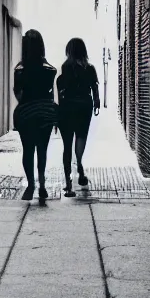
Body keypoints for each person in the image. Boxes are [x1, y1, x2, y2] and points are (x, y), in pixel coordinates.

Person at [13, 30, 58, 200]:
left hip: (26, 113)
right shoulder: (49, 70)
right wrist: (53, 117)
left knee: (28, 150)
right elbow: (50, 94)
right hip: (45, 112)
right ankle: (43, 185)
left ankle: (31, 185)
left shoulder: (20, 70)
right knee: (42, 149)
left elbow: (18, 93)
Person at [57, 38, 100, 197]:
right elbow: (94, 88)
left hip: (67, 108)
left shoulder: (65, 67)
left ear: (69, 51)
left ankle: (68, 184)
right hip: (84, 107)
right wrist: (96, 103)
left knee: (66, 145)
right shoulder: (90, 68)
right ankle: (79, 163)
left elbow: (62, 90)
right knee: (81, 137)